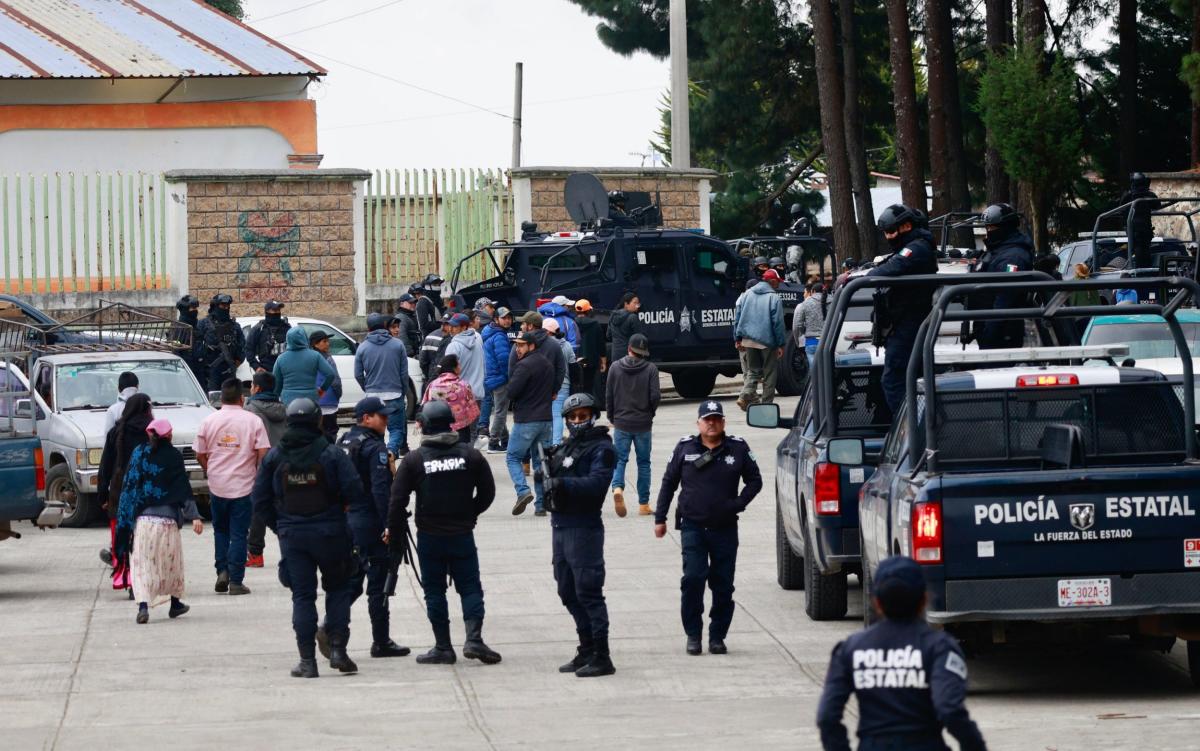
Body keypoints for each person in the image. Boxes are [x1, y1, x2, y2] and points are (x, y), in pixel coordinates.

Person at [816, 556, 987, 751]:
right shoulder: (939, 648)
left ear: (877, 603)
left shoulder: (851, 649)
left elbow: (827, 717)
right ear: (924, 599)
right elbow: (950, 710)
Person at [251, 398, 369, 678]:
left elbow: (259, 499)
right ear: (318, 421)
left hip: (293, 536)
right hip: (331, 533)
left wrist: (279, 526)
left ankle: (307, 661)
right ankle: (338, 649)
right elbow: (354, 491)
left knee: (303, 596)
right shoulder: (331, 454)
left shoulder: (275, 457)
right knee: (338, 589)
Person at [388, 400, 499, 666]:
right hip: (462, 534)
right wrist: (470, 513)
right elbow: (488, 493)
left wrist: (394, 533)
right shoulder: (471, 455)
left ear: (423, 426)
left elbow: (396, 500)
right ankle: (474, 639)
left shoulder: (414, 460)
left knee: (434, 591)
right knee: (470, 587)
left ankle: (443, 647)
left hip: (430, 537)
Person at [655, 401, 762, 655]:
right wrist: (660, 518)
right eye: (707, 419)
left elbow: (755, 481)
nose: (711, 423)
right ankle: (693, 634)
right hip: (693, 527)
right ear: (698, 423)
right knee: (693, 579)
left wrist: (737, 504)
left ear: (723, 422)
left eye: (716, 418)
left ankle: (717, 636)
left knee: (723, 584)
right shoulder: (685, 448)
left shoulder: (737, 448)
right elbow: (669, 483)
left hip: (725, 528)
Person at [545, 393, 617, 678]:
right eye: (573, 418)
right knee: (566, 589)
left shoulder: (602, 448)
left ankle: (602, 655)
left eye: (583, 416)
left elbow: (597, 484)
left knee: (588, 591)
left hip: (583, 527)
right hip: (560, 525)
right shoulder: (567, 446)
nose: (577, 421)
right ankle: (586, 647)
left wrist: (562, 484)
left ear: (593, 416)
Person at [337, 396, 412, 659]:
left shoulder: (345, 441)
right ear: (366, 418)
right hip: (370, 522)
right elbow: (381, 492)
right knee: (378, 582)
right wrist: (388, 525)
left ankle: (332, 626)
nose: (386, 420)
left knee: (355, 580)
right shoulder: (375, 448)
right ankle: (380, 641)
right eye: (381, 416)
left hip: (349, 521)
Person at [116, 417, 203, 624]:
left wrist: (125, 521)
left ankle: (143, 607)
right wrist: (195, 516)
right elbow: (182, 487)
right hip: (168, 523)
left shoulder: (139, 453)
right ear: (169, 435)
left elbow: (129, 486)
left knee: (143, 566)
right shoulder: (174, 456)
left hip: (144, 522)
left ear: (149, 433)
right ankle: (175, 604)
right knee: (171, 565)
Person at [194, 378, 271, 596]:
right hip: (244, 485)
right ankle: (236, 580)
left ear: (222, 398)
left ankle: (222, 571)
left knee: (220, 530)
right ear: (242, 398)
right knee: (239, 533)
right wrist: (256, 472)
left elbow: (200, 453)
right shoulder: (253, 421)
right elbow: (263, 451)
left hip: (217, 484)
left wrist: (210, 469)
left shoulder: (209, 421)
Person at [867, 204, 938, 414]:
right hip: (902, 324)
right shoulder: (910, 247)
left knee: (894, 380)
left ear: (906, 226)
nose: (888, 237)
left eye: (890, 231)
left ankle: (909, 430)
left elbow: (890, 268)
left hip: (909, 323)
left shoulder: (917, 247)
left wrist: (869, 274)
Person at [97, 392, 154, 597]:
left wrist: (102, 496)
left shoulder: (116, 432)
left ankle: (127, 578)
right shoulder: (152, 431)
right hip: (147, 490)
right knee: (144, 537)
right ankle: (144, 577)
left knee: (124, 534)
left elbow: (105, 467)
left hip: (120, 491)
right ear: (147, 409)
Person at [965, 203, 1034, 350]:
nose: (988, 232)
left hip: (1002, 332)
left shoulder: (1013, 256)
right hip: (987, 325)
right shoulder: (996, 251)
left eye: (992, 228)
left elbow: (1005, 298)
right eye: (987, 228)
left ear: (1006, 228)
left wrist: (990, 333)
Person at [605, 333, 660, 518]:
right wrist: (650, 413)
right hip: (643, 423)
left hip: (621, 421)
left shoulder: (615, 367)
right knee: (644, 463)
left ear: (629, 349)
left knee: (620, 460)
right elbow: (655, 397)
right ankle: (644, 504)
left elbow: (609, 395)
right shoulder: (651, 369)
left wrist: (612, 417)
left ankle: (617, 489)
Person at [506, 331, 556, 517]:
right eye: (516, 345)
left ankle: (523, 491)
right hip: (545, 420)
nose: (517, 348)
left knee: (512, 457)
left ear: (531, 346)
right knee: (540, 462)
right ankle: (541, 505)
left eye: (521, 345)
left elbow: (511, 391)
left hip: (527, 420)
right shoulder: (547, 364)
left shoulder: (524, 366)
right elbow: (554, 386)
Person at [244, 372, 286, 569]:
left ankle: (255, 554)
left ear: (257, 388)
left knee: (258, 509)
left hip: (261, 465)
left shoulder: (251, 410)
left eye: (252, 385)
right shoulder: (284, 409)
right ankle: (291, 549)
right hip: (284, 465)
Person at [354, 312, 411, 457]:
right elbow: (404, 374)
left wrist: (367, 388)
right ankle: (391, 451)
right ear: (385, 326)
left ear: (368, 328)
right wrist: (403, 391)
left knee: (375, 430)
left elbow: (358, 374)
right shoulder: (398, 345)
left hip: (372, 396)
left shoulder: (362, 347)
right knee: (397, 430)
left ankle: (380, 456)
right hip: (394, 394)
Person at [733, 268, 787, 410]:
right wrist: (781, 344)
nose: (778, 285)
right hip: (767, 341)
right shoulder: (774, 297)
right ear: (773, 281)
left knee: (753, 370)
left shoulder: (747, 295)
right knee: (770, 373)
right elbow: (778, 323)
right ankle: (766, 405)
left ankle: (745, 394)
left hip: (748, 338)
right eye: (778, 282)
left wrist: (738, 338)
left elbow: (738, 318)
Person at [272, 327, 338, 407]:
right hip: (311, 399)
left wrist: (277, 396)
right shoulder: (315, 355)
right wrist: (322, 389)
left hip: (288, 400)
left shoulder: (281, 358)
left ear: (288, 339)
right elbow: (330, 374)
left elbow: (276, 382)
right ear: (304, 338)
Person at [422, 354, 480, 444]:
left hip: (438, 431)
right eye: (458, 365)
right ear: (453, 368)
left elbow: (427, 406)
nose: (460, 367)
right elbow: (473, 411)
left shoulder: (433, 385)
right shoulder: (464, 385)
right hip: (461, 431)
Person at [444, 313, 484, 438]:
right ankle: (469, 456)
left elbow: (447, 373)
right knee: (472, 435)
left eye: (454, 327)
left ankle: (462, 457)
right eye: (450, 326)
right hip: (476, 394)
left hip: (459, 396)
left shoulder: (454, 346)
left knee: (457, 434)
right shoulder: (478, 341)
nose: (450, 329)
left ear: (464, 327)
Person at [481, 306, 513, 453]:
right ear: (496, 319)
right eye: (504, 318)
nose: (507, 321)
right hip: (500, 378)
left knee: (500, 410)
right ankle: (493, 442)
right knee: (500, 412)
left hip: (491, 378)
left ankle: (505, 441)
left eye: (509, 318)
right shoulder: (499, 335)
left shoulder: (489, 332)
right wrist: (510, 376)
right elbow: (504, 360)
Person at [197, 293, 245, 391]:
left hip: (229, 370)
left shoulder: (235, 326)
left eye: (228, 306)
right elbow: (196, 344)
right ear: (215, 306)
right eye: (223, 305)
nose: (226, 308)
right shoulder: (204, 324)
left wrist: (238, 361)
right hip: (210, 371)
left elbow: (242, 345)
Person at [1118, 172, 1161, 270]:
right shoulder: (1147, 195)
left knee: (1141, 250)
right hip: (1141, 229)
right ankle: (1142, 270)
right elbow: (1157, 205)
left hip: (1137, 230)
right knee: (1142, 250)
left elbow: (1121, 210)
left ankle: (1142, 270)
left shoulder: (1130, 195)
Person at [544, 318, 576, 444]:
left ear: (547, 332)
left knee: (548, 416)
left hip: (546, 385)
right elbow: (573, 364)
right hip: (564, 385)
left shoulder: (544, 345)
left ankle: (551, 441)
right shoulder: (567, 345)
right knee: (557, 415)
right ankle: (556, 443)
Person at [309, 330, 343, 442]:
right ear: (315, 343)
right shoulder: (327, 359)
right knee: (330, 432)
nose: (328, 344)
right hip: (329, 401)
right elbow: (335, 380)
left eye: (328, 341)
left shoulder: (309, 358)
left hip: (314, 402)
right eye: (324, 341)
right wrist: (338, 394)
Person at [245, 300, 291, 374]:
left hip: (285, 371)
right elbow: (248, 349)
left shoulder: (287, 328)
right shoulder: (259, 328)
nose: (277, 312)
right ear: (267, 311)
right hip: (266, 371)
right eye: (274, 310)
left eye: (278, 310)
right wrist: (256, 367)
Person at [574, 300, 605, 408]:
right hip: (592, 359)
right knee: (591, 384)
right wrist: (603, 361)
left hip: (576, 358)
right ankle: (591, 404)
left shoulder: (572, 323)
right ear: (588, 310)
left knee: (577, 383)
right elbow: (601, 344)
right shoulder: (595, 324)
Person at [794, 280, 828, 366]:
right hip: (829, 341)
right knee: (828, 370)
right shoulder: (833, 301)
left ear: (812, 291)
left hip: (811, 341)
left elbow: (798, 325)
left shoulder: (805, 304)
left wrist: (803, 333)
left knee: (814, 371)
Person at [607, 292, 645, 367]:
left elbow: (608, 335)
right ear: (626, 304)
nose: (637, 306)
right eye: (635, 303)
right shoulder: (633, 317)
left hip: (615, 357)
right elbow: (639, 338)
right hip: (630, 356)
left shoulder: (613, 316)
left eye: (638, 303)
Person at [175, 295, 204, 383]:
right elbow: (176, 352)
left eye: (196, 308)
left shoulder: (196, 326)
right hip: (186, 373)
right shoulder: (179, 328)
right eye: (192, 308)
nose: (195, 311)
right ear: (185, 310)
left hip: (199, 370)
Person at [420, 313, 451, 384]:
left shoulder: (430, 336)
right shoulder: (430, 337)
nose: (443, 328)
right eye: (442, 324)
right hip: (440, 379)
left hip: (435, 378)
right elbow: (423, 362)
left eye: (446, 325)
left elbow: (423, 362)